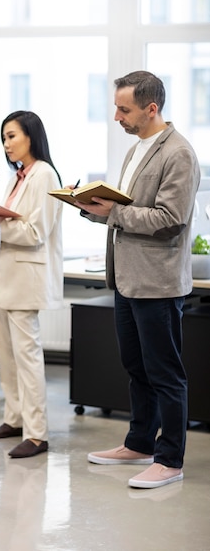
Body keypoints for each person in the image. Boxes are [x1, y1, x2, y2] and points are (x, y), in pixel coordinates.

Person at [74, 71, 200, 489]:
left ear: (151, 108)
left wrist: (112, 212)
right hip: (126, 280)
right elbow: (126, 212)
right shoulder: (136, 151)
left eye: (123, 109)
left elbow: (170, 220)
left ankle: (170, 458)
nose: (116, 117)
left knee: (165, 373)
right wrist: (89, 206)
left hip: (157, 283)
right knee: (136, 368)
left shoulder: (178, 152)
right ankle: (140, 443)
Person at [0, 110, 63, 458]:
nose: (7, 144)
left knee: (26, 358)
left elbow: (34, 232)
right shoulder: (18, 177)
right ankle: (14, 418)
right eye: (4, 138)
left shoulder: (44, 175)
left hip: (25, 280)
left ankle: (36, 433)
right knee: (8, 355)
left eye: (12, 136)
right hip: (5, 280)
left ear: (31, 135)